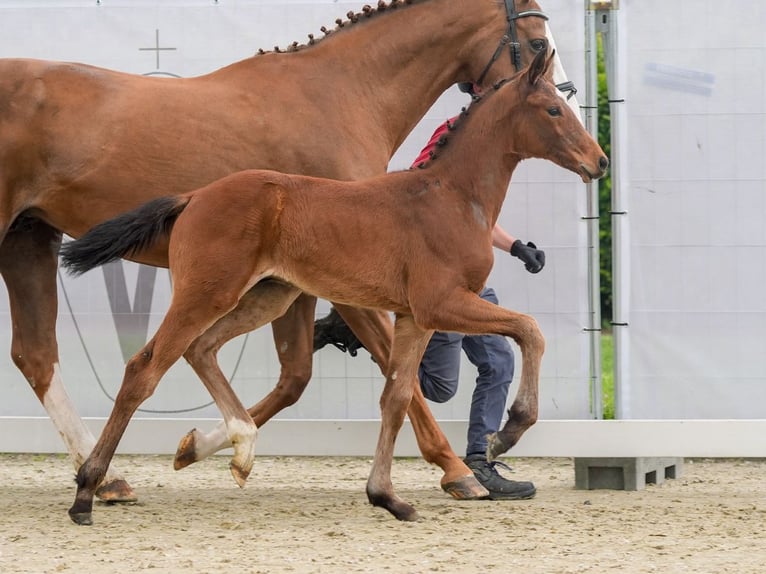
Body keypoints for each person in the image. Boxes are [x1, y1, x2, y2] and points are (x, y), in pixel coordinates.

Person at [315, 84, 546, 500]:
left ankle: (480, 460)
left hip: (469, 278)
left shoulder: (500, 144)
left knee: (497, 360)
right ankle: (363, 328)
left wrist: (514, 246)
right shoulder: (452, 138)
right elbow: (433, 211)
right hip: (434, 278)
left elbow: (474, 218)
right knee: (439, 388)